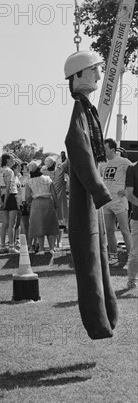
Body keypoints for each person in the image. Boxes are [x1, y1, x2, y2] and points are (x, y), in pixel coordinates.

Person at [64, 49, 117, 339]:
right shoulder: (79, 113)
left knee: (100, 256)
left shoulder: (86, 110)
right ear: (79, 75)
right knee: (89, 264)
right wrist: (100, 191)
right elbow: (78, 150)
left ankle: (109, 316)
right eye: (94, 69)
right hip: (85, 200)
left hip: (90, 203)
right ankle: (98, 324)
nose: (98, 74)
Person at [99, 138, 133, 264]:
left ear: (112, 149)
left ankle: (132, 258)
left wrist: (127, 190)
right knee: (109, 230)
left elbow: (135, 173)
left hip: (119, 201)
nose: (103, 150)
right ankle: (113, 257)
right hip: (106, 202)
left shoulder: (124, 161)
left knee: (124, 230)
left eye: (105, 148)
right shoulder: (102, 164)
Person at [25, 161, 59, 254]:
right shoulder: (47, 178)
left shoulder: (29, 181)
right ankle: (52, 248)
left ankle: (41, 249)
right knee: (50, 225)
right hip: (48, 202)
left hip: (36, 203)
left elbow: (27, 197)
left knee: (38, 226)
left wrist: (28, 203)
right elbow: (54, 193)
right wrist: (56, 204)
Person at [0, 153, 20, 253]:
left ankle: (2, 246)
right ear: (7, 160)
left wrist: (1, 201)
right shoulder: (9, 171)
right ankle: (11, 247)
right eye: (12, 158)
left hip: (3, 196)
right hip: (10, 196)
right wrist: (5, 202)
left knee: (4, 223)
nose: (14, 160)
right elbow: (8, 188)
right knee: (12, 224)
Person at [125, 160, 138, 290]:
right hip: (137, 218)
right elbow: (129, 194)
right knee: (135, 252)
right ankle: (132, 280)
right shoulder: (132, 168)